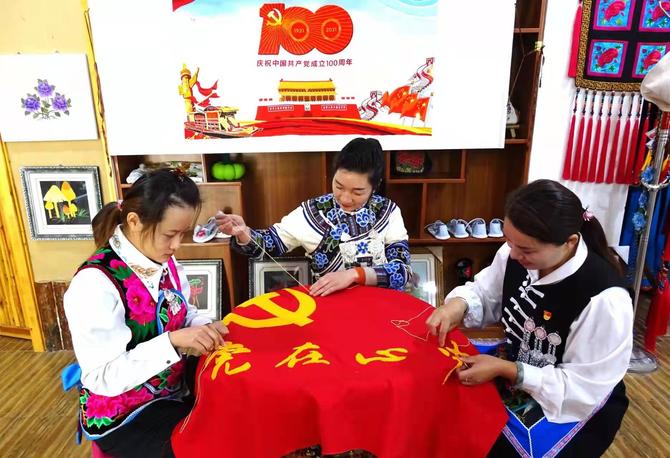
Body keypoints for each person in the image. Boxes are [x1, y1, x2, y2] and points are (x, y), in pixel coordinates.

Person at [425, 179, 633, 457]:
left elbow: (582, 387)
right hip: (517, 358)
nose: (513, 254)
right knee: (437, 393)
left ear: (570, 242)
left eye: (526, 249)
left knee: (490, 443)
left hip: (571, 398)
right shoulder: (515, 252)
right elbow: (485, 292)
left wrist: (509, 370)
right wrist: (457, 306)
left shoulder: (605, 300)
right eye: (509, 241)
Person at [64, 168, 229, 458]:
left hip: (171, 390)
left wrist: (204, 326)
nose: (177, 245)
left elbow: (184, 311)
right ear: (134, 221)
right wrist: (173, 342)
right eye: (170, 234)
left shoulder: (161, 258)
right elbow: (102, 377)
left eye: (182, 233)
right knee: (212, 443)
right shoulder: (94, 284)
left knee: (236, 406)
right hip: (123, 415)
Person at [216, 137, 411, 296]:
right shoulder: (313, 211)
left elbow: (402, 271)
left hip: (382, 307)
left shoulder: (387, 212)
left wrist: (353, 275)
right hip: (330, 309)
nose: (345, 198)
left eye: (357, 192)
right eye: (339, 186)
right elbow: (271, 243)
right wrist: (244, 233)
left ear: (374, 186)